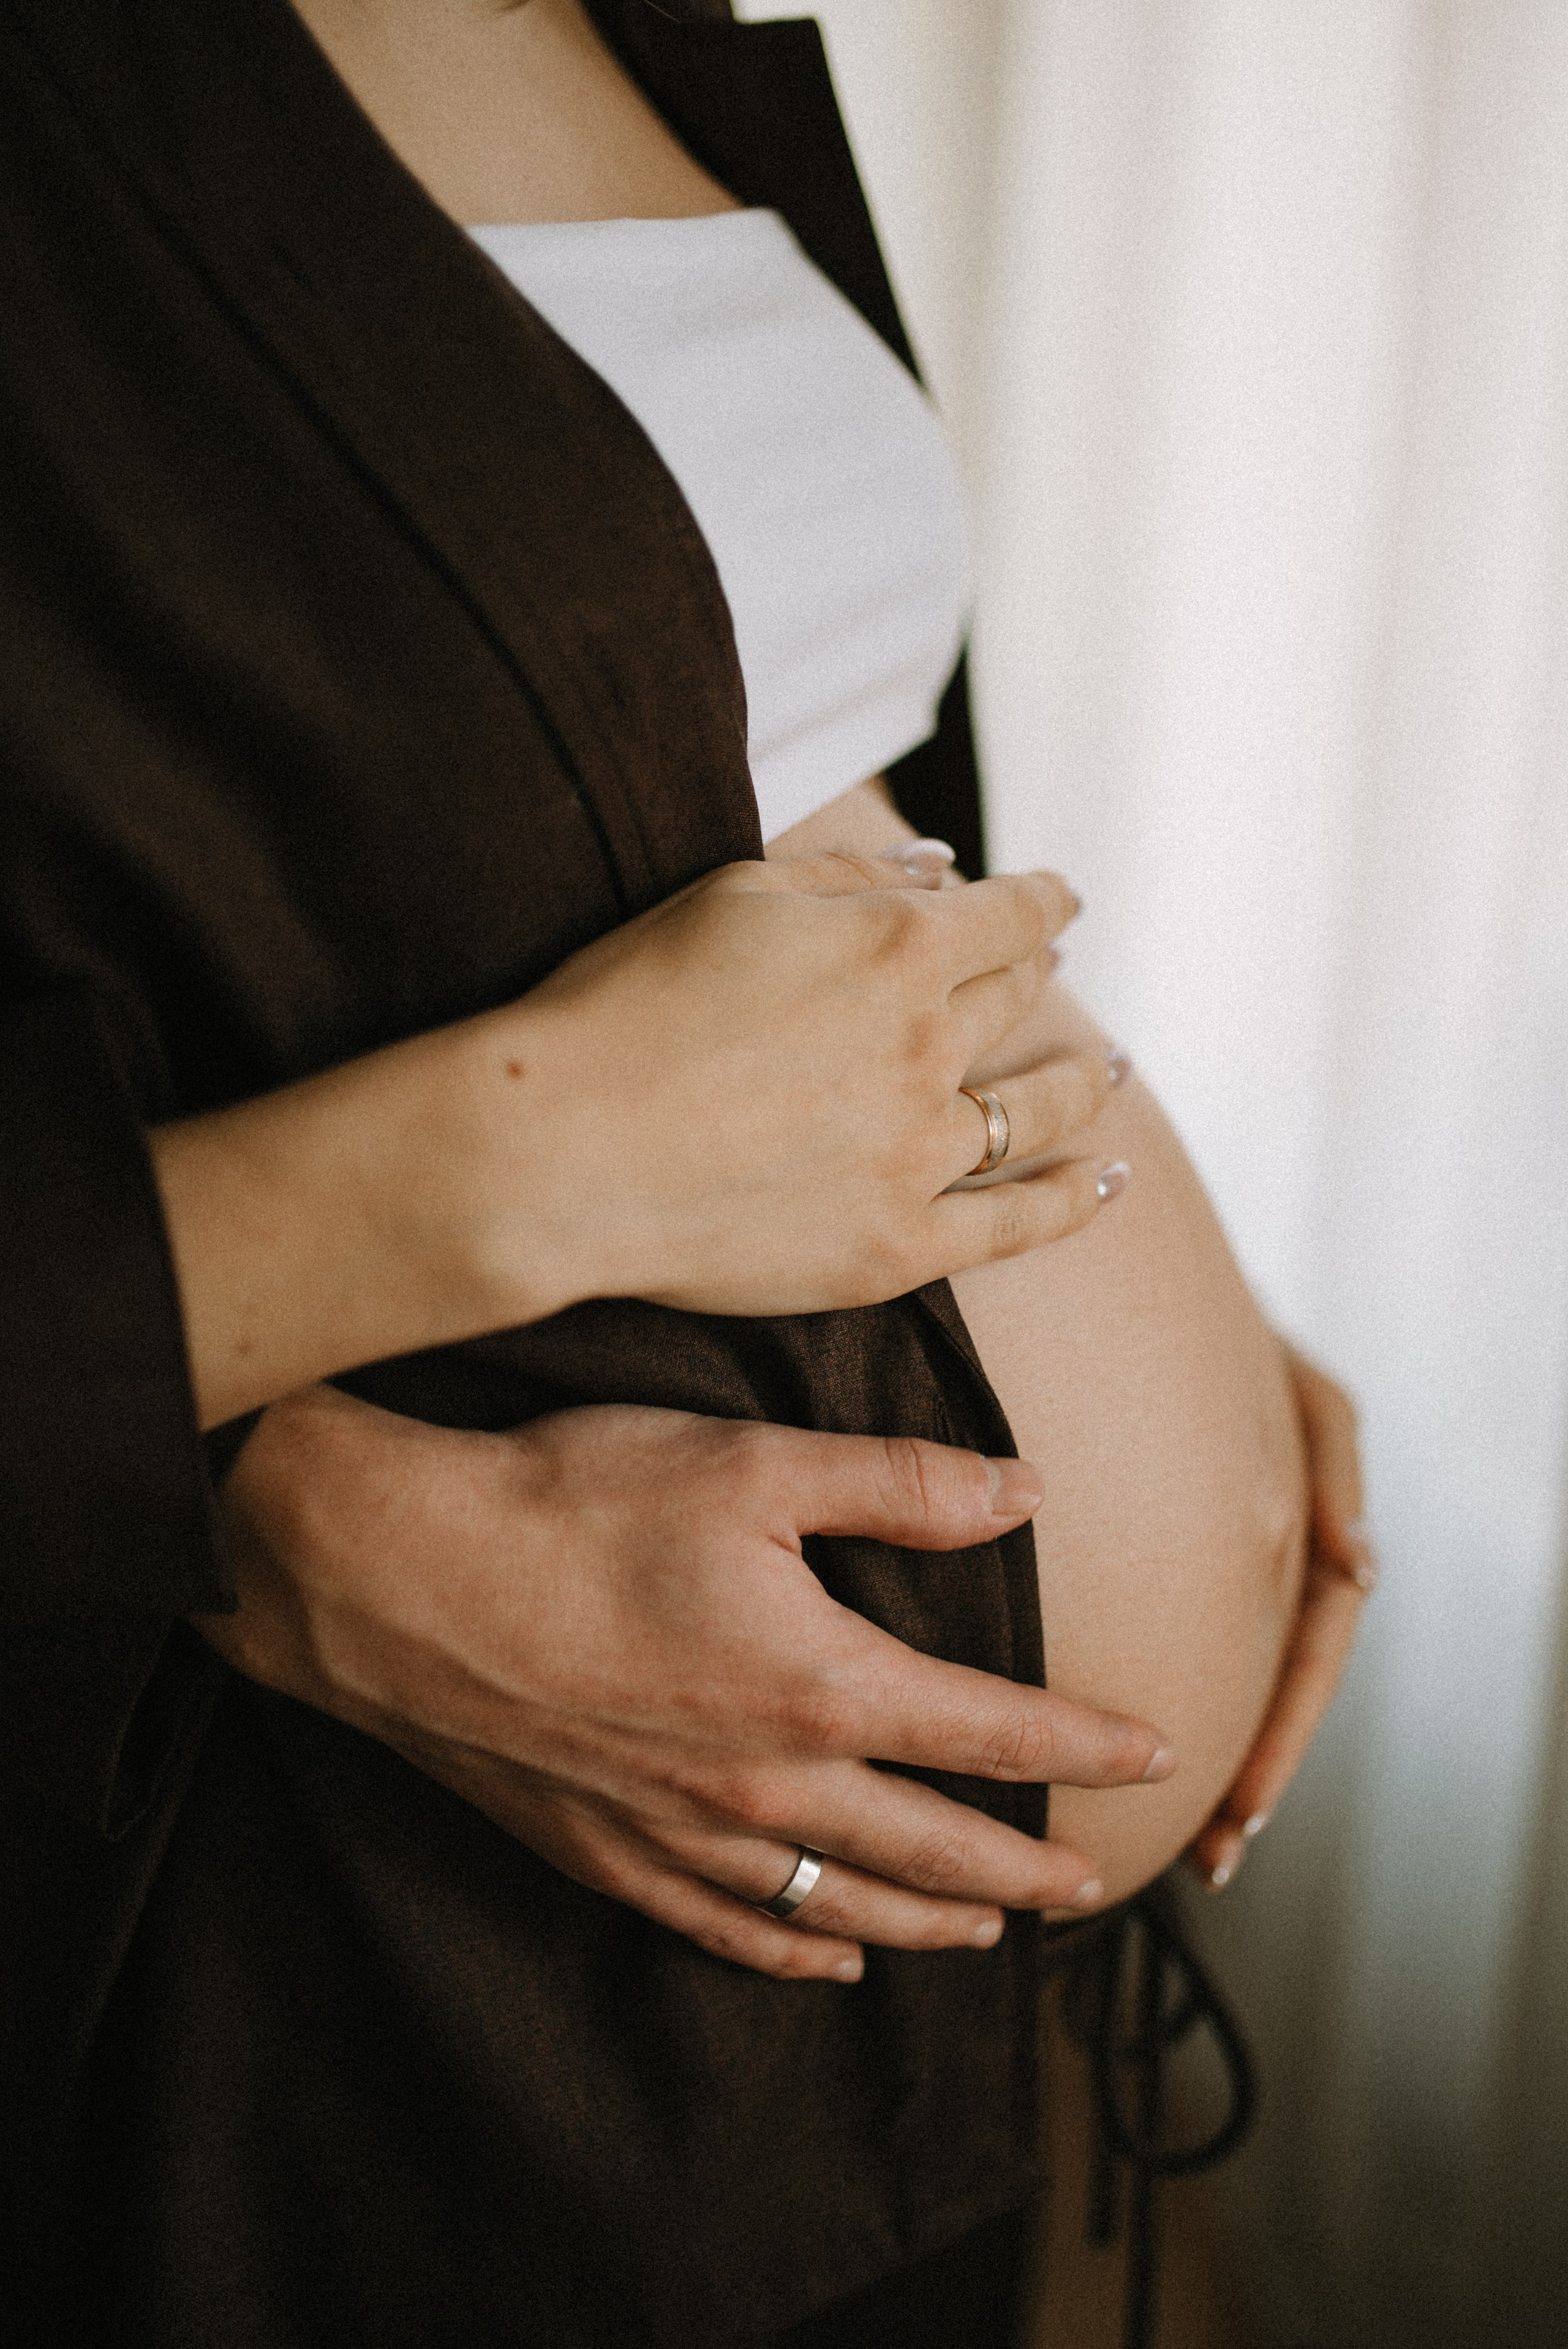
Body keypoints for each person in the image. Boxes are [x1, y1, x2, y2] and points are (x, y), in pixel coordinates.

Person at [0, 1, 1369, 2342]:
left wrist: (1158, 1296)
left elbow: (761, 779)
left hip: (876, 2015)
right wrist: (270, 1520)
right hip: (428, 1994)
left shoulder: (632, 20)